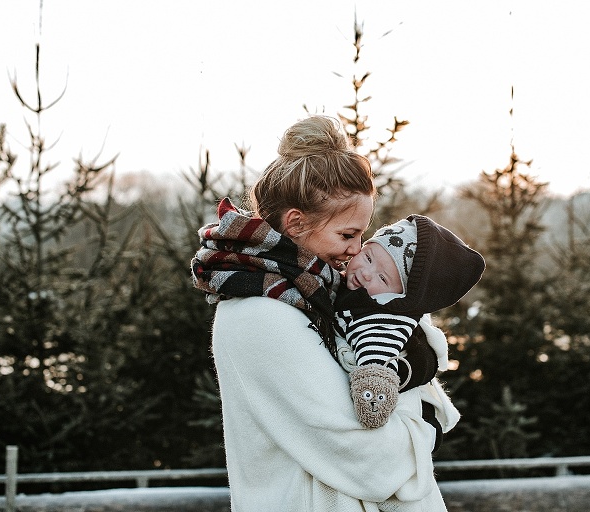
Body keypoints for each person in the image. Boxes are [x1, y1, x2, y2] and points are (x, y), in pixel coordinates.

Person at [191, 115, 462, 511]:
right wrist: (423, 417)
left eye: (363, 234)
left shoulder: (319, 296)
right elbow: (370, 463)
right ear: (296, 223)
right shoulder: (261, 315)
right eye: (347, 234)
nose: (358, 249)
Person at [335, 216, 485, 429]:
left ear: (399, 297)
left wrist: (373, 401)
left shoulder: (383, 317)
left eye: (383, 278)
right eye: (368, 257)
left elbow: (377, 361)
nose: (366, 273)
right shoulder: (345, 282)